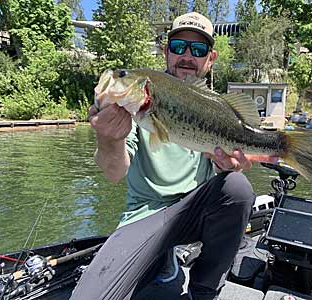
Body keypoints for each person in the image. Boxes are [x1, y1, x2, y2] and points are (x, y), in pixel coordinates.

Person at [70, 12, 277, 300]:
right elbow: (114, 172)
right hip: (145, 215)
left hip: (194, 212)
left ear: (211, 58)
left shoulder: (214, 105)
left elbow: (226, 175)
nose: (187, 56)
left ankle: (203, 292)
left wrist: (230, 167)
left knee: (238, 187)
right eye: (179, 47)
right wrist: (108, 139)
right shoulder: (131, 111)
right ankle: (161, 258)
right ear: (166, 52)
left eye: (198, 49)